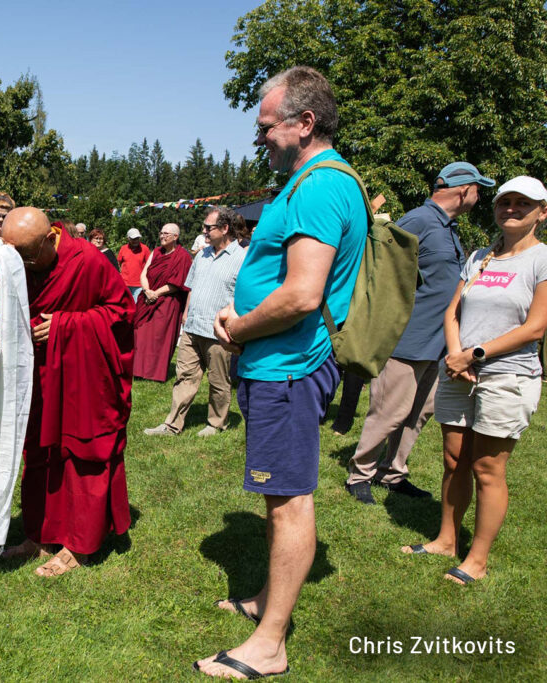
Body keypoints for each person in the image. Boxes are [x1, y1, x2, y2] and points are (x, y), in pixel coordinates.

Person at [199, 66, 366, 678]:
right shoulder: (308, 183)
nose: (260, 137)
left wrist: (239, 327)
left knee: (288, 500)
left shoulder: (321, 187)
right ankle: (269, 601)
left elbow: (300, 294)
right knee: (278, 494)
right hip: (278, 365)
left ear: (304, 122)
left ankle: (270, 645)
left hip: (289, 369)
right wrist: (240, 305)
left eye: (266, 126)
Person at [401, 175, 547, 586]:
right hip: (459, 371)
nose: (512, 209)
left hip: (507, 376)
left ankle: (477, 559)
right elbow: (453, 312)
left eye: (523, 203)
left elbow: (536, 327)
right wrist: (455, 354)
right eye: (506, 202)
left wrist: (475, 354)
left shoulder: (541, 260)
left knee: (486, 468)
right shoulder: (481, 256)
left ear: (542, 212)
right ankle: (446, 540)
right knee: (453, 460)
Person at [345, 161, 495, 503]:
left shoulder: (449, 227)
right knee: (390, 411)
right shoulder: (419, 220)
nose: (479, 197)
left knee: (418, 413)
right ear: (463, 189)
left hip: (438, 343)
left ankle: (392, 472)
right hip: (407, 339)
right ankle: (359, 475)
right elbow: (380, 274)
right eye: (477, 190)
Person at [0, 207, 134, 577]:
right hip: (41, 376)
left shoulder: (87, 260)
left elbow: (122, 312)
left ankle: (78, 545)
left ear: (48, 240)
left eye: (28, 256)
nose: (24, 264)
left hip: (84, 380)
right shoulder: (25, 261)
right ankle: (39, 534)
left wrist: (65, 324)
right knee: (40, 453)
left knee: (82, 455)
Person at [143, 207, 246, 437]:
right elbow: (192, 287)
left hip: (220, 332)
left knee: (219, 381)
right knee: (184, 377)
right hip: (192, 327)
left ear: (225, 228)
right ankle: (172, 424)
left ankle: (216, 423)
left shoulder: (242, 258)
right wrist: (186, 313)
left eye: (208, 228)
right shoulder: (201, 255)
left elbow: (245, 297)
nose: (204, 231)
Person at [132, 223, 192, 382]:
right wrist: (147, 291)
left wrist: (156, 293)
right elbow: (144, 272)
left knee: (159, 338)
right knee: (140, 334)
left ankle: (154, 373)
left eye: (166, 234)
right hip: (147, 298)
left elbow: (178, 282)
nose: (162, 236)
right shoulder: (156, 252)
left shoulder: (183, 256)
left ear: (175, 237)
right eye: (161, 233)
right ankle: (138, 370)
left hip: (167, 301)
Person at [117, 228, 149, 299]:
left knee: (137, 306)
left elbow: (149, 265)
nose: (136, 241)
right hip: (125, 283)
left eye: (137, 238)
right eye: (133, 239)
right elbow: (118, 263)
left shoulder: (145, 249)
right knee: (126, 305)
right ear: (128, 238)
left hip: (139, 284)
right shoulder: (123, 248)